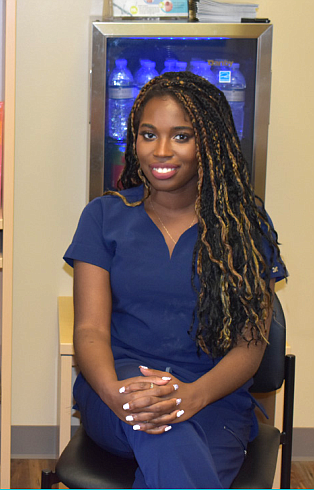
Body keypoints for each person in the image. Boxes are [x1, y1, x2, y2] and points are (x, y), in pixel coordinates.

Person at [64, 71, 287, 489]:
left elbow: (251, 345)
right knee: (164, 432)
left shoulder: (243, 228)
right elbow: (90, 330)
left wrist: (192, 396)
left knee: (171, 449)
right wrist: (117, 394)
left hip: (212, 399)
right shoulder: (103, 217)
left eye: (181, 136)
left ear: (209, 143)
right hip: (119, 387)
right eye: (149, 135)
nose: (161, 151)